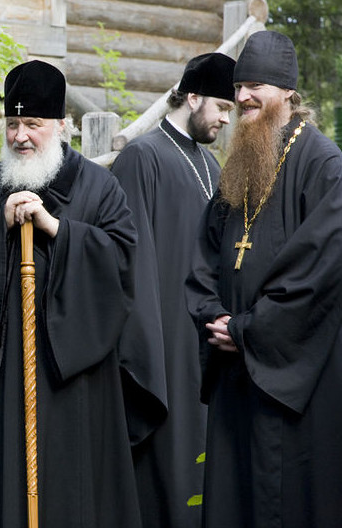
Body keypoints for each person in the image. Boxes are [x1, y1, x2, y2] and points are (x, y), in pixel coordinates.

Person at [0, 60, 152, 527]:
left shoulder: (99, 186)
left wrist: (58, 229)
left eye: (33, 124)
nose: (21, 137)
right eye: (12, 125)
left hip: (74, 384)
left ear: (61, 124)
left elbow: (123, 260)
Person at [185, 31, 342, 528]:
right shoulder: (242, 164)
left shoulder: (324, 166)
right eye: (238, 87)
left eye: (255, 86)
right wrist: (213, 314)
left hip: (292, 378)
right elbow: (204, 254)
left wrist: (248, 329)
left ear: (288, 92)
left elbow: (320, 272)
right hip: (236, 373)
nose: (243, 97)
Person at [110, 52, 236, 528]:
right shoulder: (142, 157)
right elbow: (128, 258)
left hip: (205, 339)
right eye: (222, 107)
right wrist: (146, 347)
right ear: (194, 97)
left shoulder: (211, 164)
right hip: (162, 342)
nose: (226, 119)